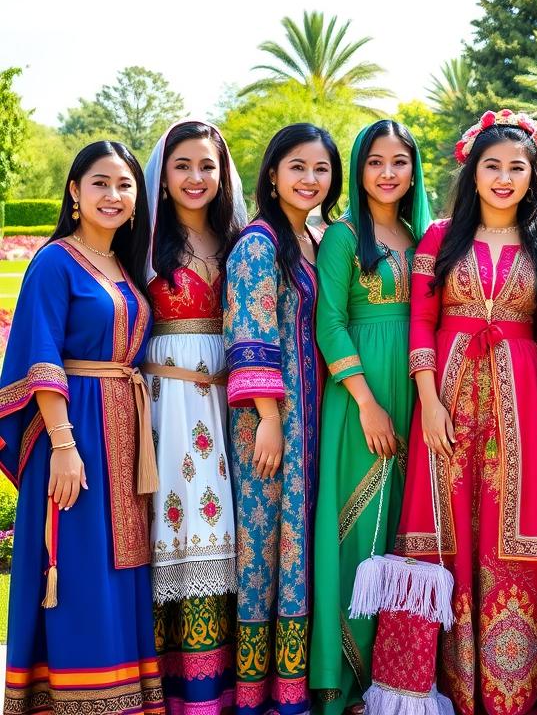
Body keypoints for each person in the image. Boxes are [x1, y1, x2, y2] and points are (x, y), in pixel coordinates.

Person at [394, 108, 537, 715]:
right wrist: (428, 399)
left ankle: (510, 689)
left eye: (517, 167)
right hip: (450, 397)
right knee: (447, 526)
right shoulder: (440, 237)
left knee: (513, 529)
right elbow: (421, 320)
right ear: (473, 171)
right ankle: (444, 686)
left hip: (521, 405)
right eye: (493, 166)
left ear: (533, 176)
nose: (505, 177)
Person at [0, 141, 164, 714]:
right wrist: (64, 445)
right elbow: (41, 354)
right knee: (76, 570)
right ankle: (75, 700)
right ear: (74, 191)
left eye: (124, 184)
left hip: (123, 431)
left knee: (121, 566)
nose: (113, 195)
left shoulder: (124, 266)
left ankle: (126, 697)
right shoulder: (55, 261)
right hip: (74, 435)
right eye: (100, 182)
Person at [310, 120, 432, 714]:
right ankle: (344, 681)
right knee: (356, 531)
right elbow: (329, 321)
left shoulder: (422, 237)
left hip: (415, 391)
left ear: (414, 170)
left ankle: (391, 678)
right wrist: (366, 401)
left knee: (400, 533)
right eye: (375, 161)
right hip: (359, 398)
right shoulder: (342, 236)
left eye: (400, 161)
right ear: (358, 172)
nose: (388, 172)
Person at [224, 123, 342, 715]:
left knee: (296, 540)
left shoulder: (312, 240)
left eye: (320, 169)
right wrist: (268, 417)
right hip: (269, 423)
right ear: (272, 173)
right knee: (264, 547)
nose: (309, 179)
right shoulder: (260, 242)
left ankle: (292, 687)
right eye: (297, 167)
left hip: (310, 418)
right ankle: (255, 694)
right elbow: (251, 331)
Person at [143, 119, 247, 715]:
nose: (195, 177)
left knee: (226, 534)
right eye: (182, 165)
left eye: (207, 165)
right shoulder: (142, 241)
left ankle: (220, 691)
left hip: (228, 397)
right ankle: (170, 692)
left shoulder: (239, 239)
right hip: (167, 406)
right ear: (163, 175)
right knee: (172, 531)